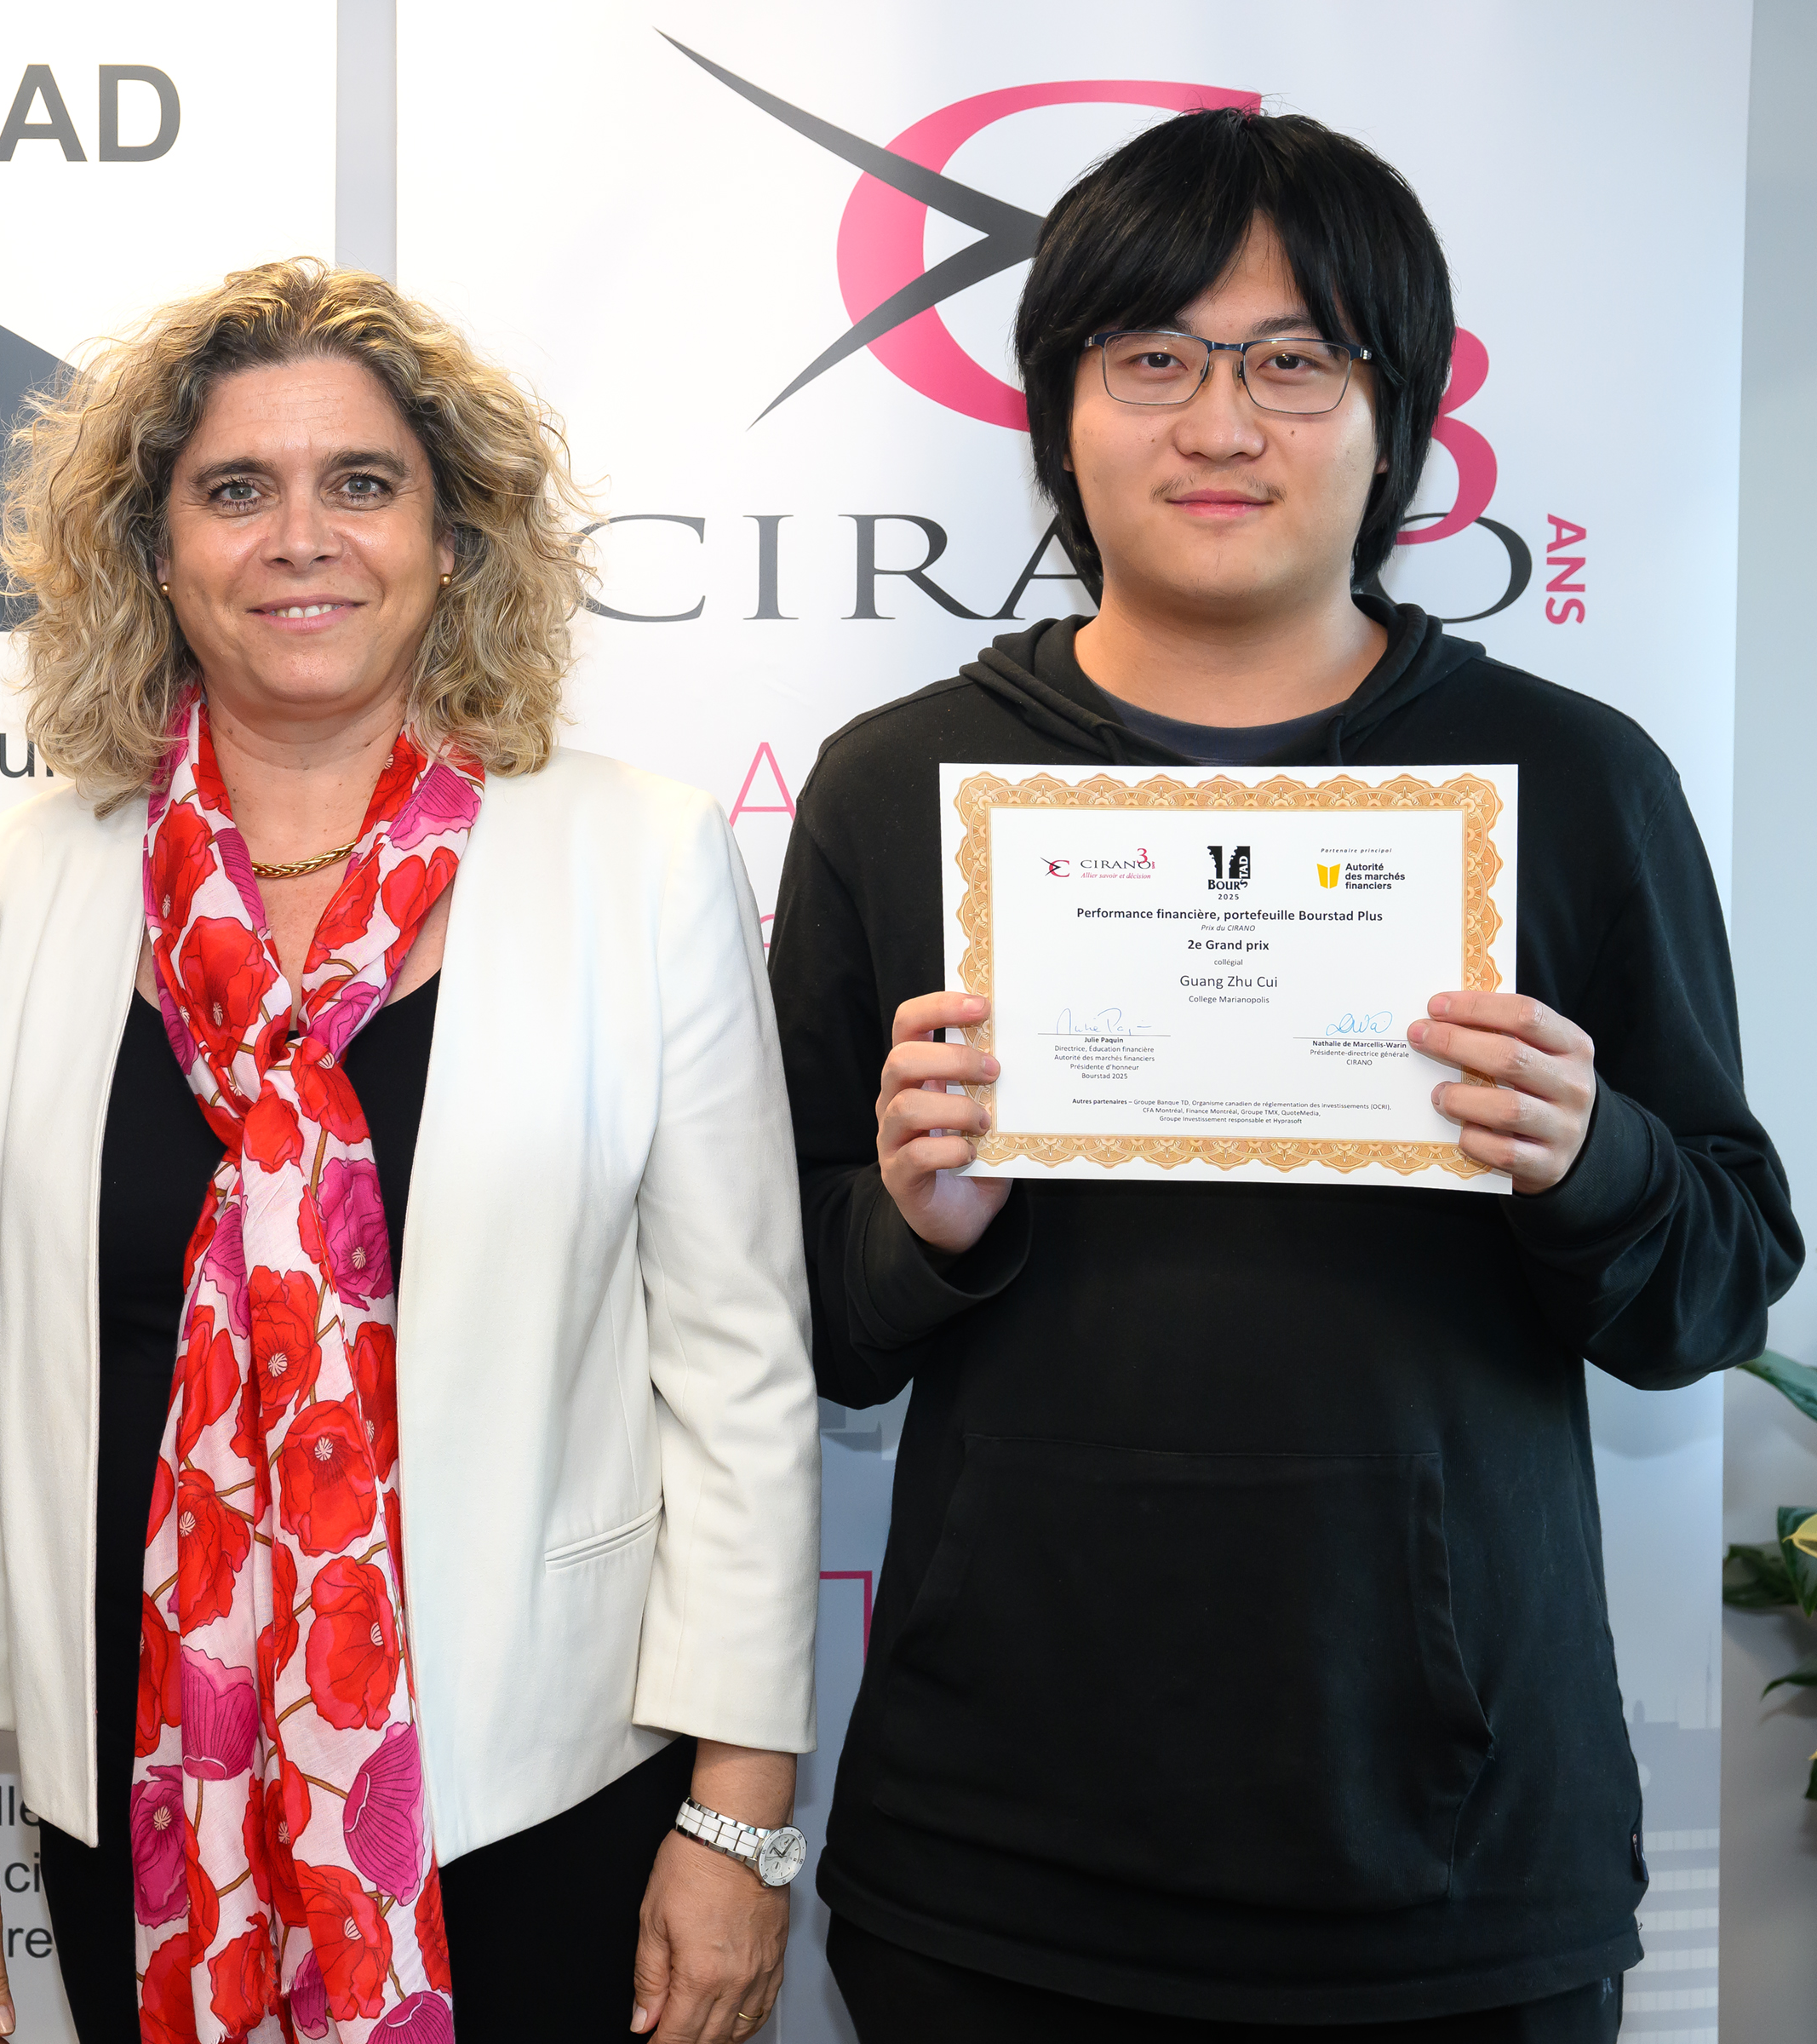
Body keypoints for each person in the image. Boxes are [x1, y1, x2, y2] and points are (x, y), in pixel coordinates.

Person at [771, 107, 1801, 2041]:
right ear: (1059, 406)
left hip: (1456, 1866)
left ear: (1394, 418)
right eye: (1153, 357)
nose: (1222, 424)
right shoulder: (897, 784)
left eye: (1296, 361)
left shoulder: (1574, 779)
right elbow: (800, 1326)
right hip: (998, 1864)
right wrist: (917, 1229)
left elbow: (1717, 1293)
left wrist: (1593, 1157)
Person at [0, 261, 820, 2044]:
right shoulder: (30, 877)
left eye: (361, 484)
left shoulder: (638, 858)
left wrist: (741, 1815)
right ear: (156, 553)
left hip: (541, 1783)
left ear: (451, 540)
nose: (299, 537)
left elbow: (740, 1370)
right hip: (133, 1778)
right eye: (236, 489)